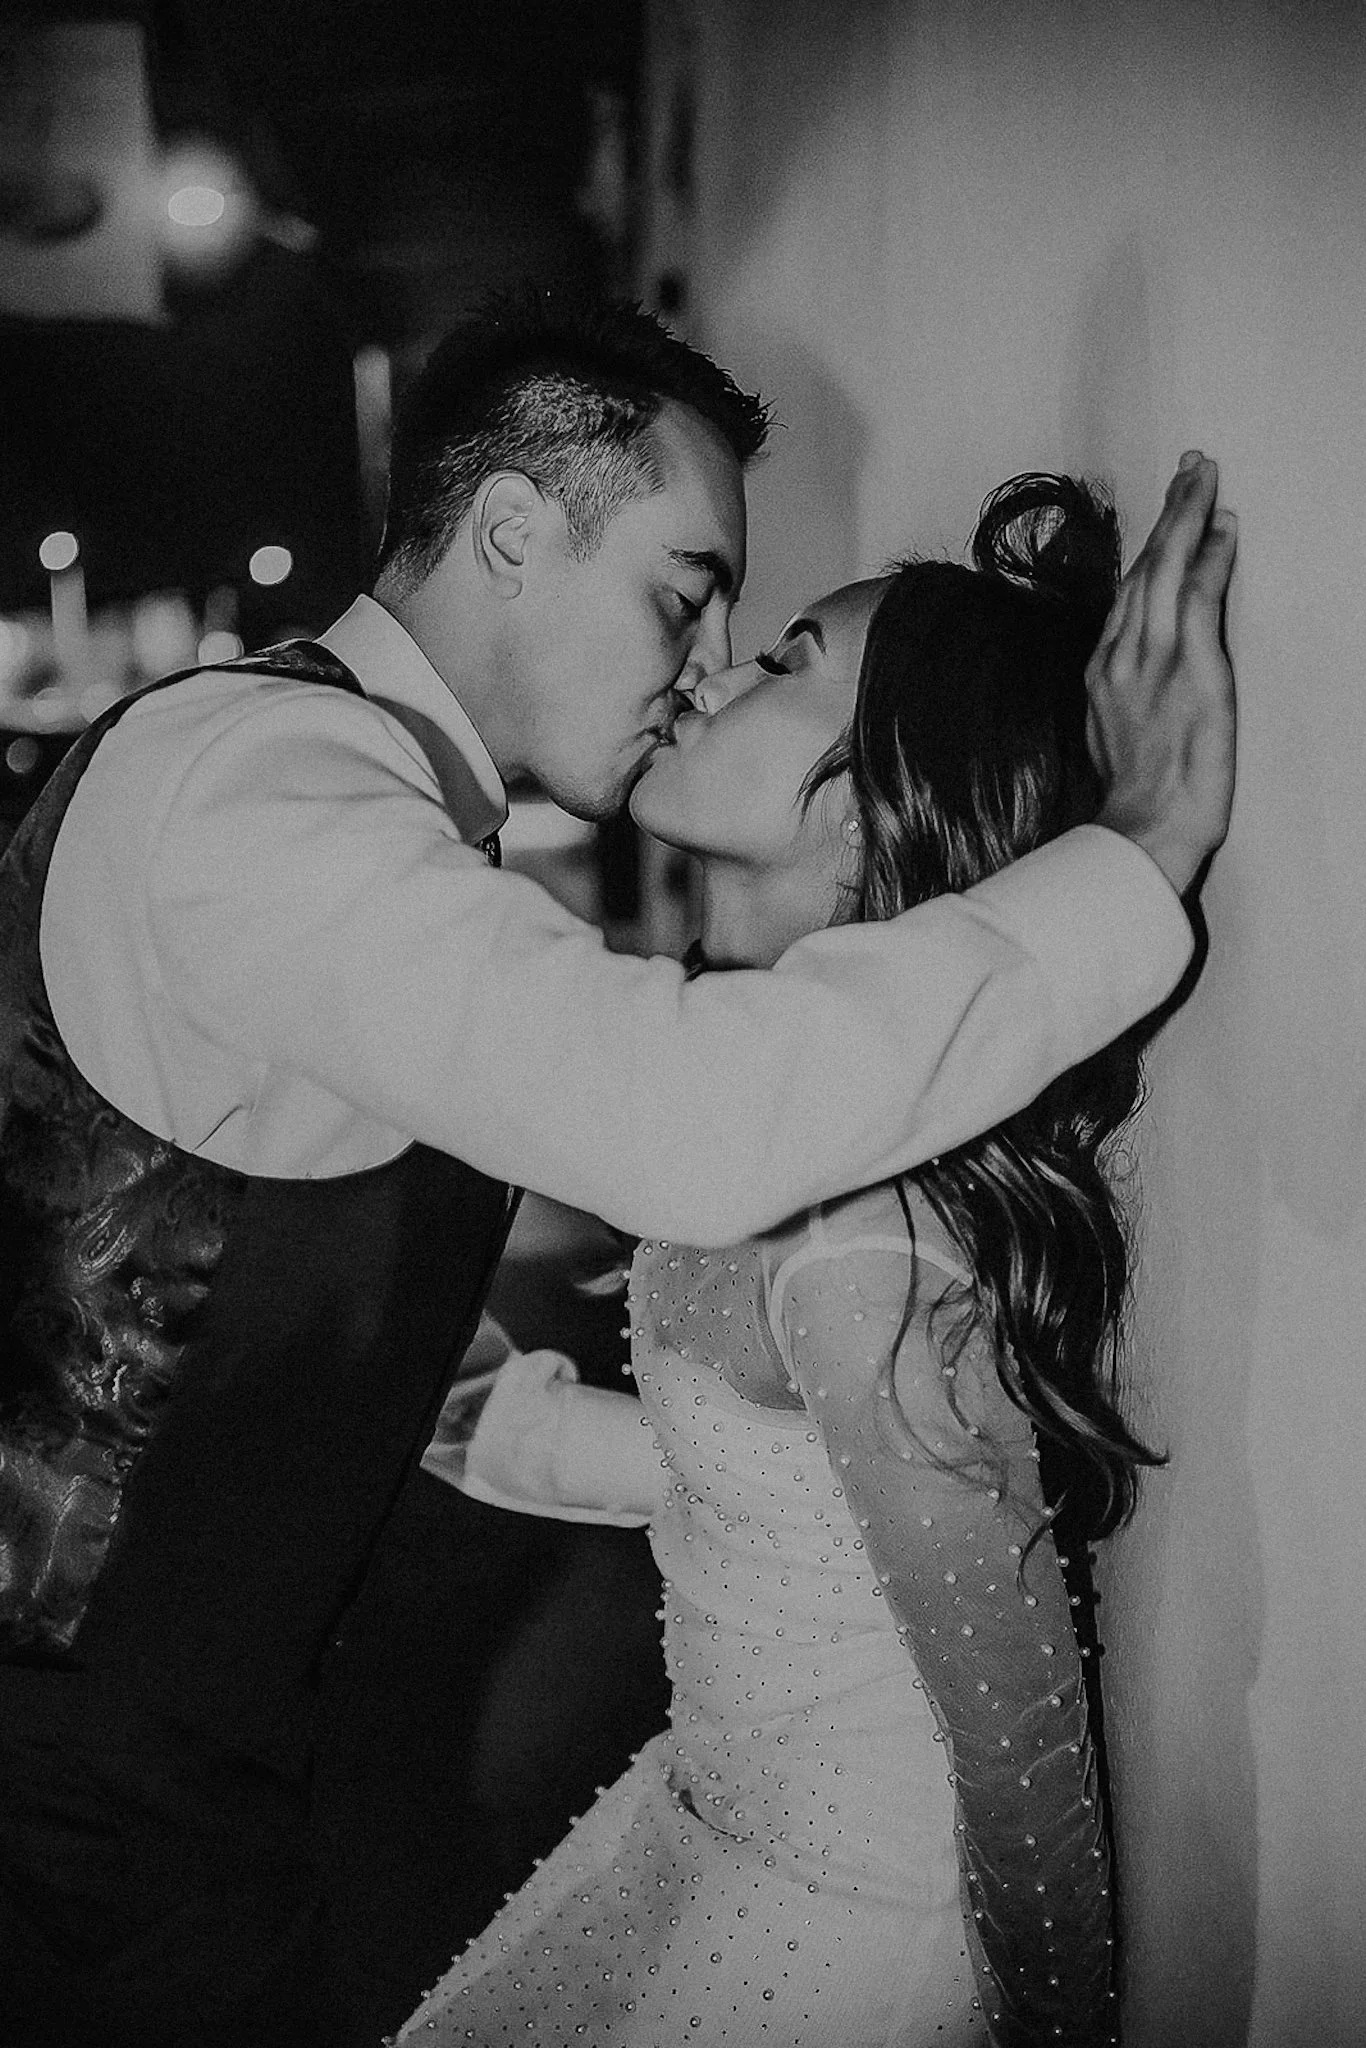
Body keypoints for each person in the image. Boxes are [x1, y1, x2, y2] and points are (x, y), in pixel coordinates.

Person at [0, 287, 1233, 2048]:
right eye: (684, 589)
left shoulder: (366, 820)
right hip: (74, 1791)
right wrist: (1135, 861)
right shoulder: (265, 796)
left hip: (167, 1771)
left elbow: (289, 1289)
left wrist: (573, 1442)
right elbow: (677, 1118)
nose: (703, 656)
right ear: (511, 530)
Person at [396, 471, 1228, 2047]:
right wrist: (439, 1397)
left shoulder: (874, 1242)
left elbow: (1023, 1770)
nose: (705, 669)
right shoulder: (757, 1112)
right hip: (699, 1840)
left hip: (839, 1941)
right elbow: (750, 1497)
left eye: (782, 662)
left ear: (870, 797)